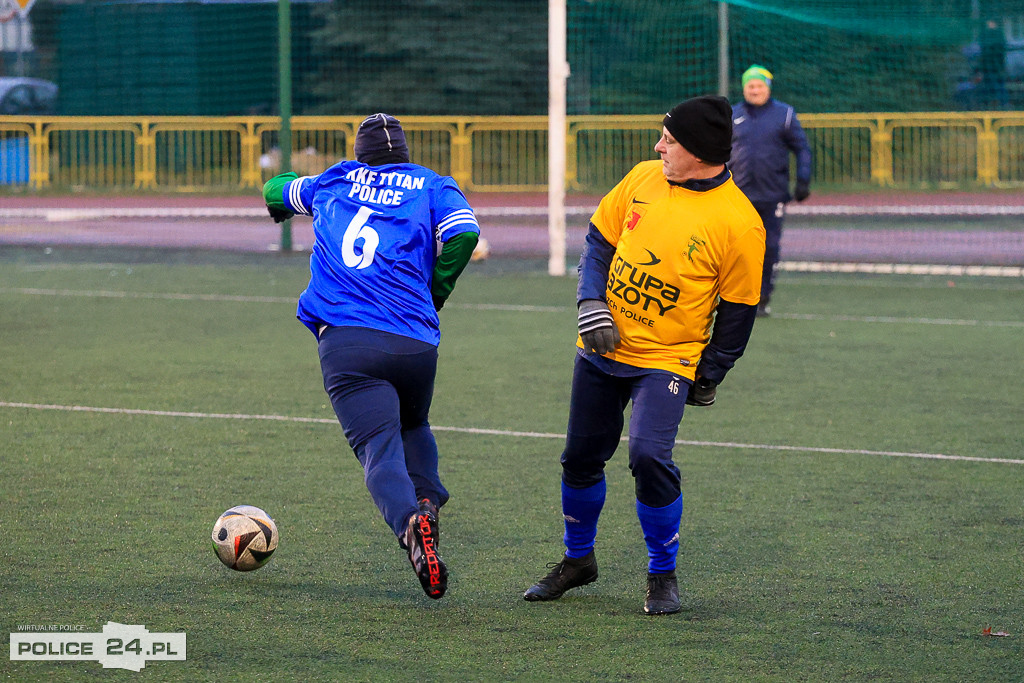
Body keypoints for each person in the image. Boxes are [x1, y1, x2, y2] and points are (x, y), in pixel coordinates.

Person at [522, 96, 765, 615]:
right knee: (580, 458)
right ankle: (578, 561)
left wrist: (711, 373)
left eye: (669, 141)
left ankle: (661, 573)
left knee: (649, 458)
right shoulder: (641, 178)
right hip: (601, 348)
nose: (659, 147)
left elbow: (739, 311)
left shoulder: (740, 223)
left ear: (699, 151)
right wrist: (590, 301)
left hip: (667, 360)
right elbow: (598, 240)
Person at [261, 113, 480, 599]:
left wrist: (280, 202)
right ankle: (427, 504)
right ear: (403, 152)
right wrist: (436, 290)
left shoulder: (333, 180)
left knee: (379, 447)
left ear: (361, 155)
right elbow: (465, 233)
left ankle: (410, 527)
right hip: (415, 343)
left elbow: (276, 188)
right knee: (414, 425)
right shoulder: (432, 184)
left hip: (349, 342)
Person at [730, 64, 812, 317]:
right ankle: (734, 297)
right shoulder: (732, 115)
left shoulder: (784, 114)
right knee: (734, 249)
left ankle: (762, 297)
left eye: (759, 85)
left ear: (768, 88)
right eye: (750, 86)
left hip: (772, 194)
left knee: (769, 248)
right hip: (737, 196)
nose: (755, 90)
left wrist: (803, 179)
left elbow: (802, 149)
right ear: (744, 88)